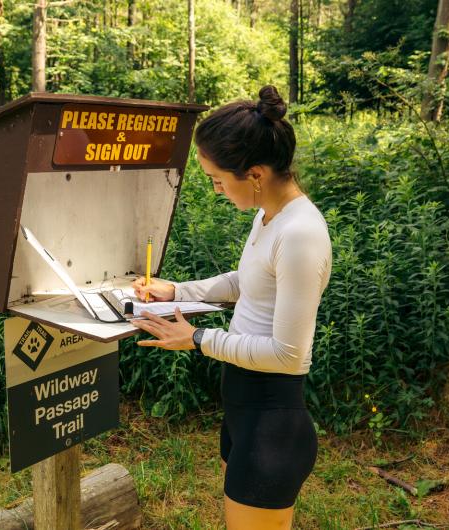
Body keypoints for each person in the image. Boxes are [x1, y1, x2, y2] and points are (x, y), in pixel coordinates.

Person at [129, 85, 332, 530]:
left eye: (218, 180)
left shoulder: (301, 234)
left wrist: (198, 338)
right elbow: (247, 282)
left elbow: (288, 354)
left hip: (271, 426)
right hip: (245, 413)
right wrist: (177, 290)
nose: (217, 190)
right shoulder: (270, 217)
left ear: (255, 173)